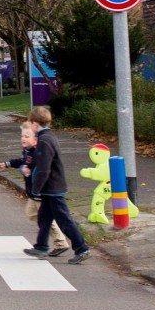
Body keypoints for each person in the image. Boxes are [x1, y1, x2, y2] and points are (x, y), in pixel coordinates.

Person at [21, 107, 91, 264]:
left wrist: (36, 188)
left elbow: (43, 168)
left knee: (64, 220)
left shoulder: (44, 141)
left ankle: (82, 248)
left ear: (34, 123)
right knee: (44, 219)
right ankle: (41, 246)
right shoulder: (48, 136)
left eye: (31, 123)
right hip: (51, 187)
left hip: (52, 187)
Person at [0, 122, 71, 257]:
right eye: (22, 136)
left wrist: (28, 171)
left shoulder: (39, 153)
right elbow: (22, 162)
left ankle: (60, 243)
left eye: (27, 136)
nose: (23, 139)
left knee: (45, 218)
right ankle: (49, 240)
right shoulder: (27, 151)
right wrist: (9, 164)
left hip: (39, 191)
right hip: (33, 191)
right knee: (32, 214)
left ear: (36, 139)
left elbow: (41, 169)